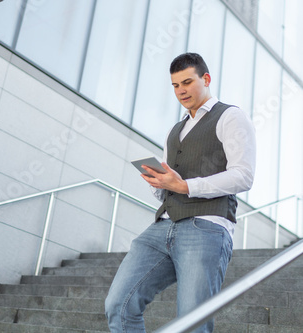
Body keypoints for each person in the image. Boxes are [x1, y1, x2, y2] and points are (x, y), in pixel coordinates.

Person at [105, 52, 256, 333]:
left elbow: (243, 175)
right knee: (119, 305)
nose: (181, 91)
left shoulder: (230, 117)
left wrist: (185, 186)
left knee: (192, 323)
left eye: (187, 82)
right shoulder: (175, 130)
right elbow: (171, 183)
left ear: (206, 79)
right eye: (175, 85)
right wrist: (160, 184)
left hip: (206, 226)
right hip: (163, 226)